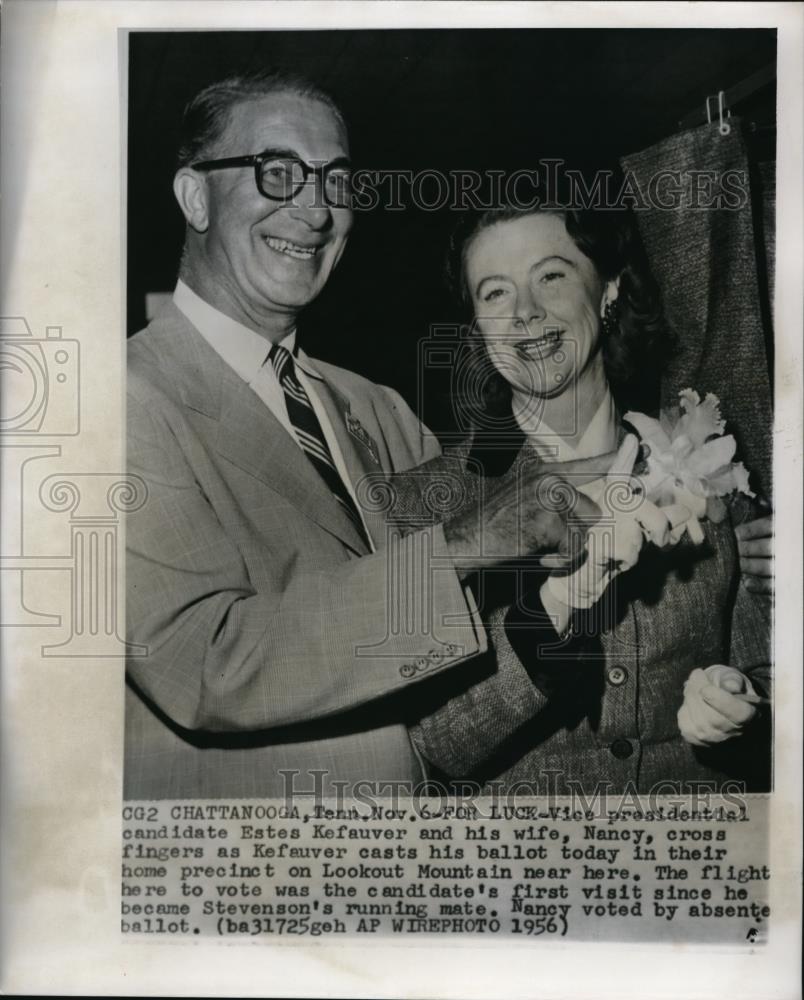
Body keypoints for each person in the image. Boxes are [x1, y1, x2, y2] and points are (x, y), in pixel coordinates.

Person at [124, 71, 594, 799]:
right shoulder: (119, 399)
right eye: (277, 173)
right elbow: (205, 662)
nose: (315, 209)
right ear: (195, 196)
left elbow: (481, 625)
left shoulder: (375, 408)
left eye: (336, 182)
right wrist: (464, 545)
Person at [411, 202, 772, 794]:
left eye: (550, 275)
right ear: (476, 324)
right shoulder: (426, 501)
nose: (525, 312)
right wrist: (554, 604)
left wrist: (746, 706)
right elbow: (437, 744)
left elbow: (770, 672)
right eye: (495, 293)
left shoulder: (708, 458)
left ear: (608, 289)